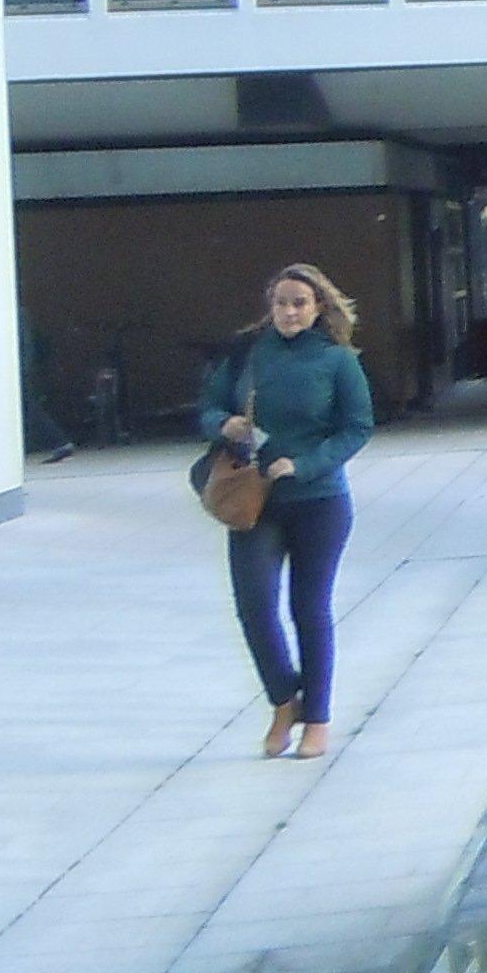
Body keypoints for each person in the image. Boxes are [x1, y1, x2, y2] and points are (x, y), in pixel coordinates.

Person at [198, 265, 377, 760]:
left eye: (300, 303)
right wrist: (224, 424)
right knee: (254, 605)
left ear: (319, 307)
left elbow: (358, 427)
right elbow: (208, 407)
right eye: (281, 303)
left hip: (320, 502)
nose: (290, 312)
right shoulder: (249, 354)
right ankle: (284, 700)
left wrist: (304, 465)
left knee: (308, 609)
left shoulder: (338, 361)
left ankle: (317, 718)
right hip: (254, 502)